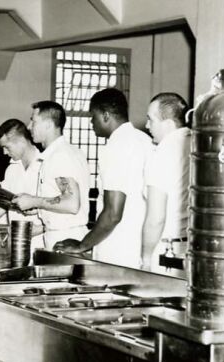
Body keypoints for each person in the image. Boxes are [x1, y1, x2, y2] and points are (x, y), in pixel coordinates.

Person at [54, 88, 151, 267]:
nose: (91, 121)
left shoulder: (116, 147)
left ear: (106, 115)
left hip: (118, 250)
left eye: (93, 115)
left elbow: (113, 213)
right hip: (141, 247)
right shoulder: (144, 140)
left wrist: (83, 245)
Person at [11, 101, 89, 248]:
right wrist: (39, 208)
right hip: (64, 234)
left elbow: (72, 204)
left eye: (33, 122)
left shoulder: (59, 156)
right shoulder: (66, 152)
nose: (29, 127)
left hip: (65, 238)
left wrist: (34, 201)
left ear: (48, 125)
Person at [141, 92, 191, 275]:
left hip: (167, 252)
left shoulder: (161, 153)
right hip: (194, 249)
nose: (147, 126)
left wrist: (145, 259)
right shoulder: (198, 144)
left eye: (151, 120)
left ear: (168, 124)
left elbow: (156, 218)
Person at [0, 118, 45, 252]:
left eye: (7, 147)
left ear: (22, 141)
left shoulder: (45, 164)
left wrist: (42, 228)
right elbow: (3, 205)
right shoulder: (11, 169)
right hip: (17, 245)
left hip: (43, 244)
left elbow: (62, 207)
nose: (4, 153)